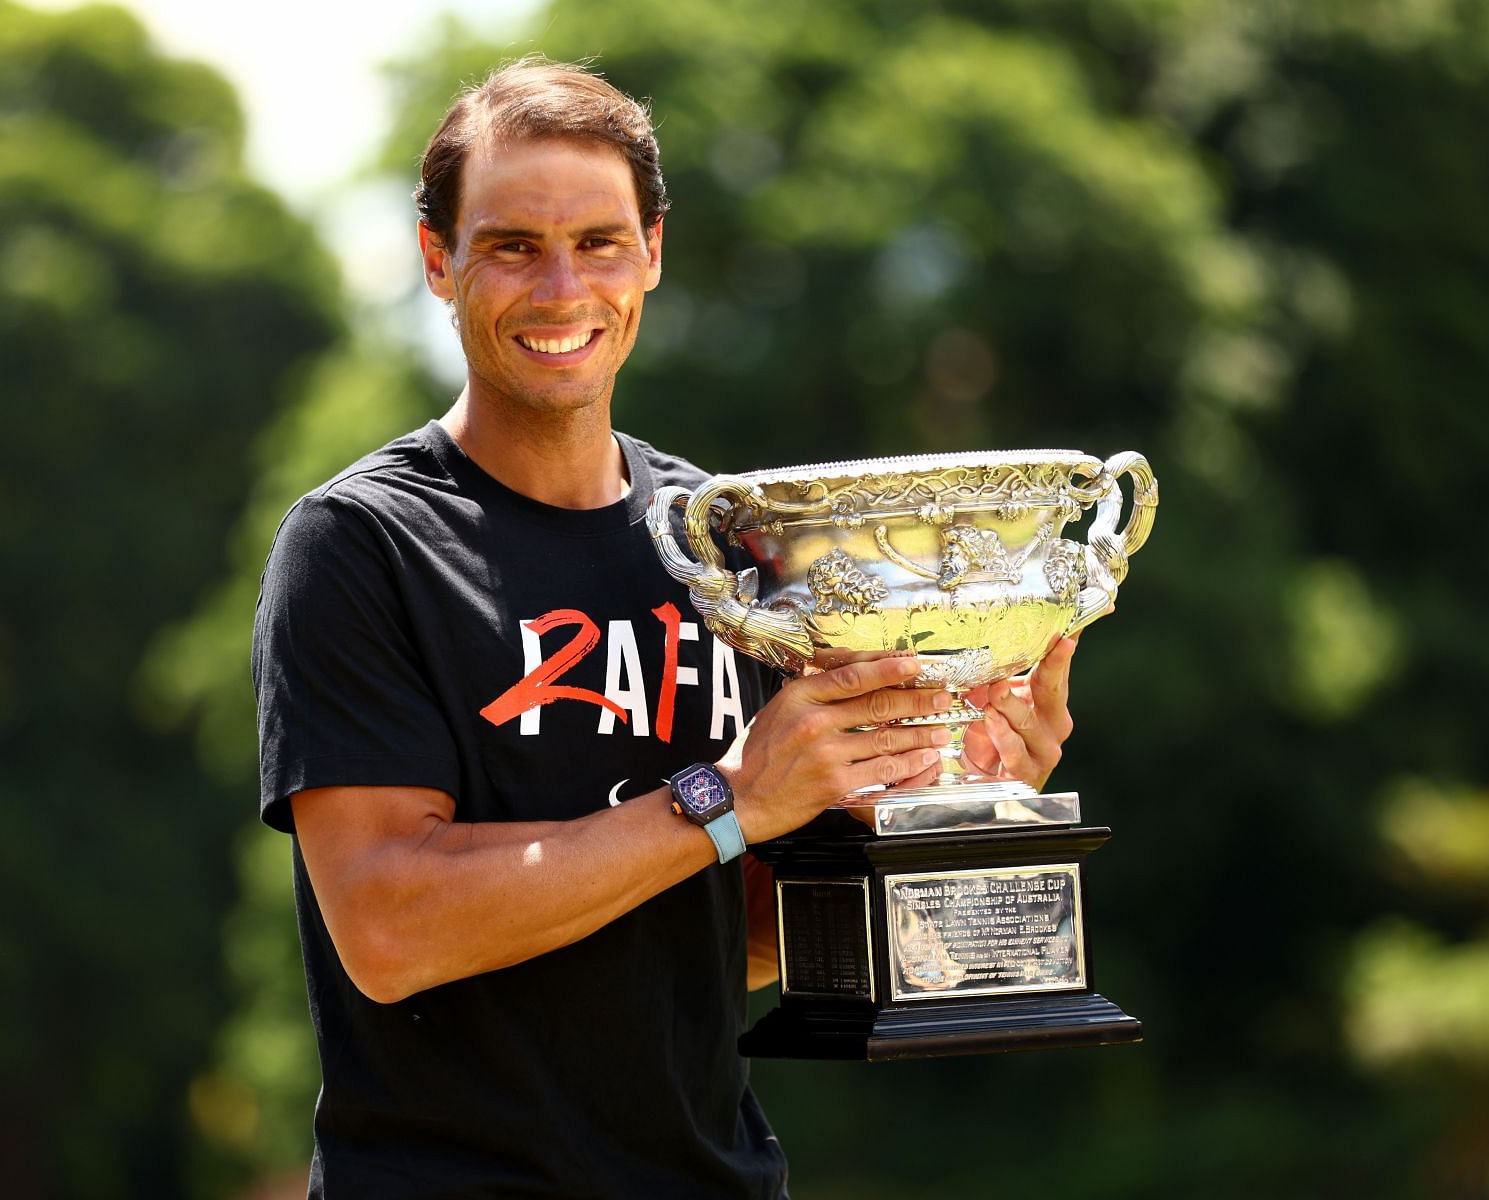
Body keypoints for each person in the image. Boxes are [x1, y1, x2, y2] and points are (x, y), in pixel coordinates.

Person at [252, 59, 1078, 1199]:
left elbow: (722, 939)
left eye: (598, 241)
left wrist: (937, 799)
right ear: (438, 259)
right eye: (510, 246)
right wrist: (727, 797)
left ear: (652, 251)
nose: (560, 288)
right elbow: (391, 929)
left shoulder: (728, 545)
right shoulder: (362, 544)